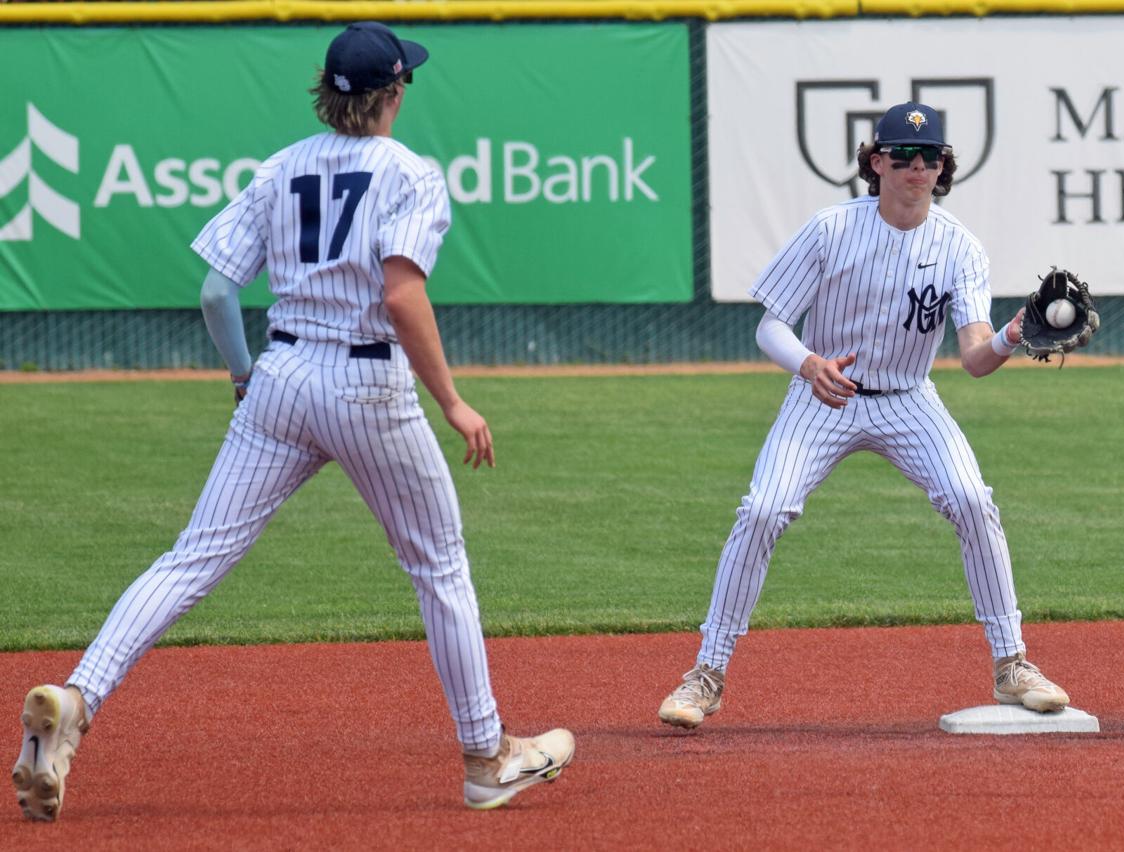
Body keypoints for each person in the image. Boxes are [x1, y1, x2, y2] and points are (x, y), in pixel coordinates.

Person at [12, 22, 573, 821]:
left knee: (191, 558)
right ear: (394, 92)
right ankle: (486, 756)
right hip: (367, 386)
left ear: (327, 92)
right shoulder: (410, 173)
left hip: (280, 373)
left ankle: (78, 694)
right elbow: (402, 296)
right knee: (439, 568)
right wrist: (452, 400)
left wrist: (243, 373)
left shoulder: (282, 167)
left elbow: (215, 291)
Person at [658, 102, 1070, 730]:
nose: (916, 167)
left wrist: (1013, 335)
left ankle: (1013, 664)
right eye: (902, 156)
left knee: (971, 498)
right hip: (823, 398)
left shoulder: (959, 246)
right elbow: (771, 327)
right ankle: (706, 675)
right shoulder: (830, 229)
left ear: (943, 166)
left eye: (929, 156)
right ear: (875, 164)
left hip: (909, 398)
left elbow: (974, 359)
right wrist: (806, 364)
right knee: (763, 509)